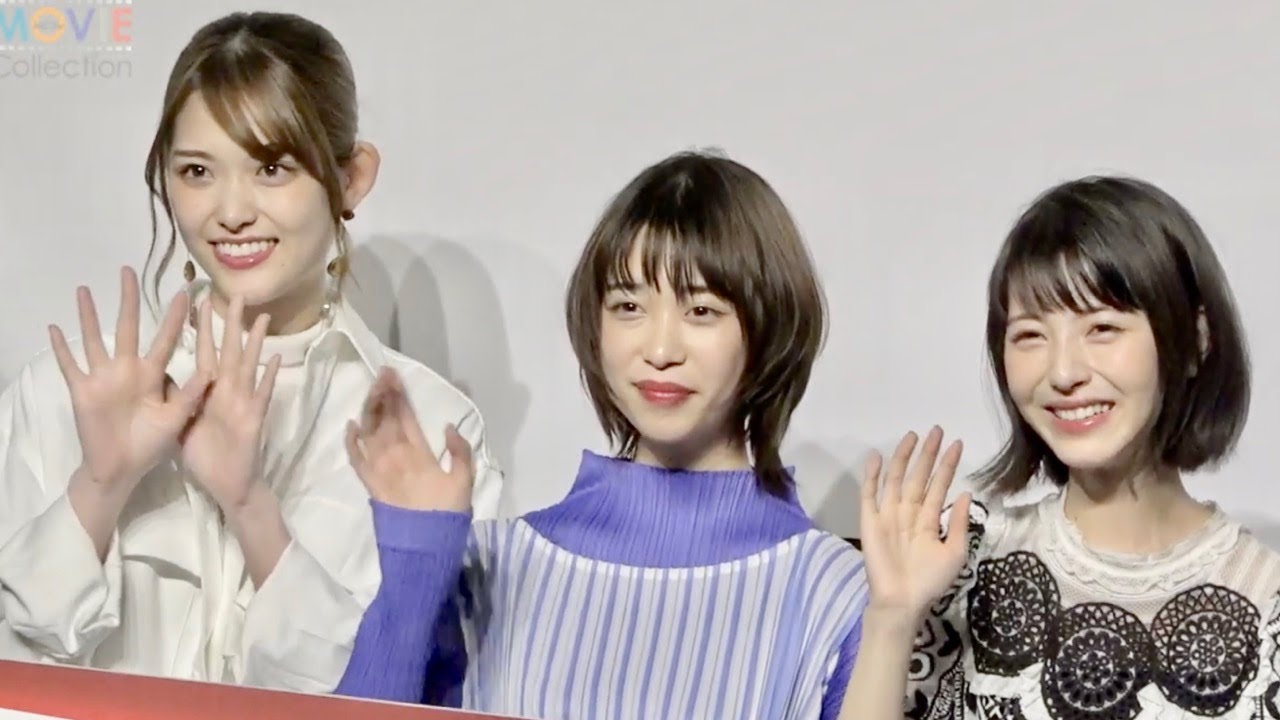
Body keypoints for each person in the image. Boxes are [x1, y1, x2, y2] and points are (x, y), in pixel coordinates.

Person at [0, 11, 502, 692]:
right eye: (197, 171)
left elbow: (408, 691)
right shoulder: (66, 396)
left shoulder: (431, 435)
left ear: (352, 178)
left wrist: (250, 507)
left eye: (271, 167)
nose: (231, 211)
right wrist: (101, 487)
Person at [334, 150, 868, 719]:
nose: (659, 350)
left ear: (771, 329)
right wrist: (416, 553)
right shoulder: (497, 565)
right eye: (628, 306)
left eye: (702, 311)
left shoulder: (829, 591)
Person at [841, 175, 1277, 718]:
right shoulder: (961, 564)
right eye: (1030, 335)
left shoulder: (1267, 604)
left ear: (1194, 341)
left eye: (1102, 328)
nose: (1063, 372)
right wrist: (892, 617)